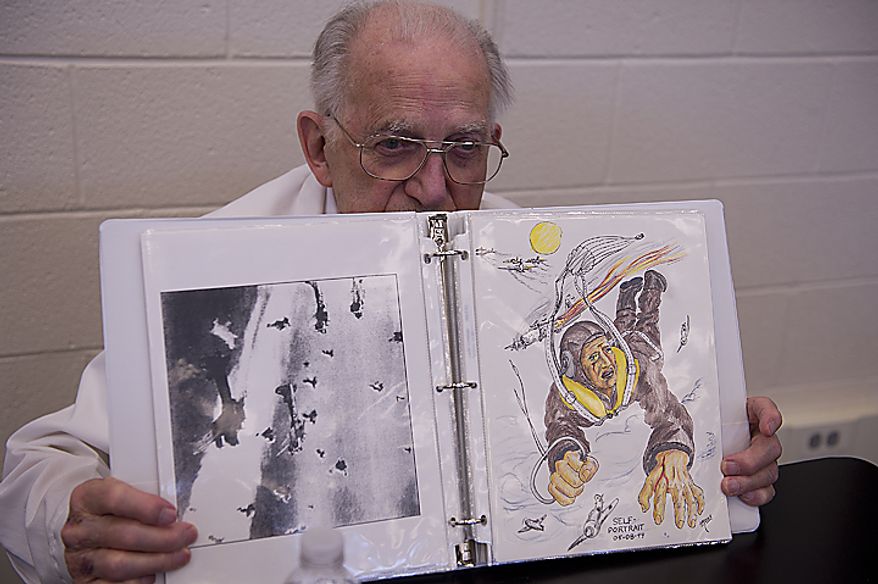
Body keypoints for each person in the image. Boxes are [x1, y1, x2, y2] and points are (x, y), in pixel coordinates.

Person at [0, 1, 782, 582]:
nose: (436, 190)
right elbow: (34, 460)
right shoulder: (216, 264)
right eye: (397, 146)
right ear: (319, 145)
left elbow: (597, 406)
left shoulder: (531, 261)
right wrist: (74, 515)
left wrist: (717, 437)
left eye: (464, 148)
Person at [545, 270, 702, 529]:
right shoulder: (566, 393)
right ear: (574, 369)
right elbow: (560, 424)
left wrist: (672, 447)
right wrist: (566, 454)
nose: (606, 362)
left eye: (606, 350)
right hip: (621, 345)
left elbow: (668, 410)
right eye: (593, 358)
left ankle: (651, 288)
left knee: (645, 323)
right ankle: (627, 294)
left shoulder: (637, 370)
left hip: (639, 347)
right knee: (622, 326)